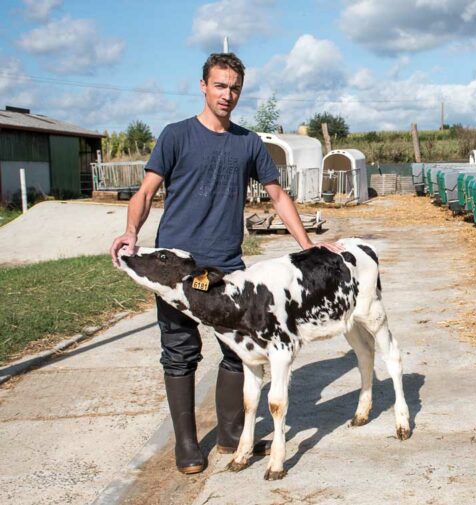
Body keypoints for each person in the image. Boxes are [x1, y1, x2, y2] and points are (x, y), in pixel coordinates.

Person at [110, 52, 340, 474]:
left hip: (227, 270)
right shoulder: (176, 136)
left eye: (234, 87)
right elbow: (145, 192)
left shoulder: (248, 143)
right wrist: (131, 231)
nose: (227, 94)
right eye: (219, 85)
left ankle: (232, 433)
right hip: (178, 271)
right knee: (179, 352)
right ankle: (186, 444)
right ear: (203, 86)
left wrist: (308, 246)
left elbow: (278, 195)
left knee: (241, 354)